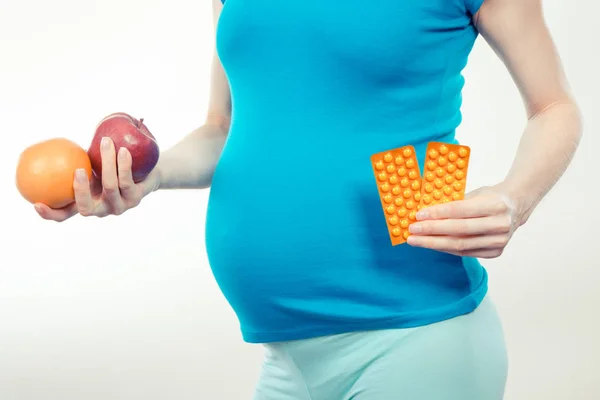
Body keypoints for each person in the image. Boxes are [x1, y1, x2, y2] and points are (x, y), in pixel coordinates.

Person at [35, 0, 582, 398]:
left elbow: (554, 106)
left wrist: (515, 199)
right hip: (285, 360)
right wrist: (147, 178)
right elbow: (223, 127)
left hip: (418, 329)